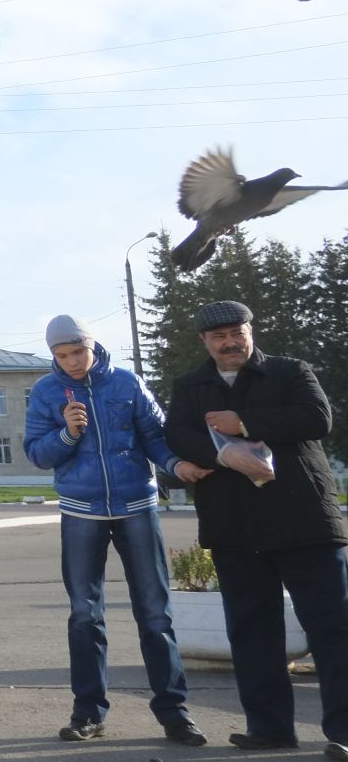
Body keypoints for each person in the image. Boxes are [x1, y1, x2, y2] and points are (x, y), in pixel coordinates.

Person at [163, 299, 348, 757]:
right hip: (234, 529)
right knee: (251, 632)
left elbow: (316, 418)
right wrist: (222, 453)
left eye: (236, 333)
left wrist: (243, 423)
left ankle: (344, 731)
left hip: (305, 522)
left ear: (251, 331)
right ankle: (269, 729)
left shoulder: (290, 371)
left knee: (334, 629)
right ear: (205, 342)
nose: (229, 342)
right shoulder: (191, 386)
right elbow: (178, 436)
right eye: (218, 336)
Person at [24, 313, 208, 746]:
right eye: (62, 354)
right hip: (81, 511)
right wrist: (68, 433)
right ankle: (88, 713)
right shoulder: (46, 392)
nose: (71, 361)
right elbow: (37, 453)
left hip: (137, 506)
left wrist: (175, 465)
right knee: (85, 615)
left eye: (78, 351)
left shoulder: (126, 383)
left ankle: (175, 713)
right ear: (53, 355)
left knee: (155, 613)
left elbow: (155, 437)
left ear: (93, 344)